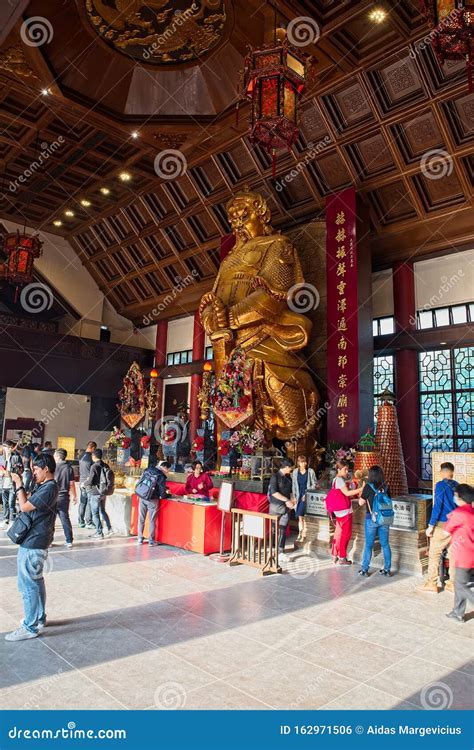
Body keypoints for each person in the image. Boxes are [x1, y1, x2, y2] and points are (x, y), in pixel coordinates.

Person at [5, 453, 58, 641]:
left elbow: (25, 506)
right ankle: (39, 618)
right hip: (37, 539)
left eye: (36, 469)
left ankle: (30, 626)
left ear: (46, 469)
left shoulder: (49, 488)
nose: (34, 472)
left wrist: (19, 483)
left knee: (28, 584)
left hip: (34, 541)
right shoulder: (46, 486)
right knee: (35, 581)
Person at [417, 461, 458, 593]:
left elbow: (438, 506)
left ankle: (431, 583)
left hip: (443, 524)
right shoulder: (458, 486)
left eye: (440, 471)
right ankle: (452, 583)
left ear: (443, 472)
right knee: (453, 554)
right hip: (456, 524)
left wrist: (431, 525)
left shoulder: (440, 485)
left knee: (434, 553)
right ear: (452, 472)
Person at [445, 484, 474, 623]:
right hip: (471, 554)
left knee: (461, 585)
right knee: (460, 584)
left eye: (456, 495)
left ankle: (458, 612)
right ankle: (457, 612)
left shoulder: (459, 513)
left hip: (464, 556)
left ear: (460, 497)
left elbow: (446, 530)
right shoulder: (471, 511)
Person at [358, 465, 392, 577]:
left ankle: (364, 569)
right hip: (384, 518)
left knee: (368, 545)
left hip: (371, 519)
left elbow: (360, 503)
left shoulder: (368, 487)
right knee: (385, 544)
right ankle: (387, 569)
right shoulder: (386, 487)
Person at [330, 459, 361, 565]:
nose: (347, 471)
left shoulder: (335, 480)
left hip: (339, 512)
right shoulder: (339, 480)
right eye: (345, 469)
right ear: (339, 469)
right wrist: (361, 489)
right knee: (345, 534)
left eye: (347, 469)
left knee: (338, 533)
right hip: (344, 512)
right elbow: (347, 493)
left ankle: (334, 555)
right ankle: (342, 558)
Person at [138, 461, 171, 546]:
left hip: (142, 496)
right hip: (152, 500)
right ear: (165, 467)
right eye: (168, 469)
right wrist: (168, 495)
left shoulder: (148, 469)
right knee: (152, 520)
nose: (168, 471)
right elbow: (162, 494)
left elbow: (140, 480)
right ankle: (151, 541)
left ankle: (140, 539)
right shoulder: (161, 476)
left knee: (141, 518)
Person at [83, 449, 113, 539]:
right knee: (102, 511)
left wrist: (84, 484)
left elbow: (91, 481)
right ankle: (109, 529)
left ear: (93, 456)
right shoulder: (105, 465)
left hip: (95, 493)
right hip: (103, 492)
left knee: (95, 513)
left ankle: (99, 532)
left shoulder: (94, 466)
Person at [269, 458, 295, 558]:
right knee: (274, 529)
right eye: (291, 468)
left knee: (283, 529)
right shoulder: (275, 477)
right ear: (287, 467)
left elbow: (291, 491)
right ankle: (272, 549)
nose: (291, 469)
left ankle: (280, 550)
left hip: (286, 508)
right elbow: (274, 493)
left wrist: (292, 500)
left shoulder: (289, 477)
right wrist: (286, 500)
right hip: (276, 506)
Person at [54, 448, 77, 548]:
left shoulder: (52, 467)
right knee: (65, 519)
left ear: (58, 457)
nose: (53, 457)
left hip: (52, 497)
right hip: (63, 497)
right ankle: (69, 541)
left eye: (54, 456)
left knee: (50, 520)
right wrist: (74, 495)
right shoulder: (69, 468)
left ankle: (49, 540)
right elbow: (72, 484)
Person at [291, 455, 317, 542]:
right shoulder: (295, 472)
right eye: (301, 462)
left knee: (302, 514)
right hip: (298, 495)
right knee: (300, 516)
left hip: (306, 495)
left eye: (305, 462)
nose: (304, 464)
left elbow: (314, 484)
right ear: (298, 463)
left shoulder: (310, 471)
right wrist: (294, 496)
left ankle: (303, 533)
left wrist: (307, 493)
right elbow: (294, 485)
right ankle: (300, 533)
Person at [0, 441, 23, 528]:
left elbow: (21, 470)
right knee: (5, 503)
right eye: (6, 447)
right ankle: (5, 520)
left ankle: (13, 520)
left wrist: (10, 473)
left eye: (10, 447)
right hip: (3, 484)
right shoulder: (1, 458)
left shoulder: (16, 457)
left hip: (12, 484)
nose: (8, 449)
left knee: (11, 504)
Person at [78, 441, 97, 529]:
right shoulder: (91, 458)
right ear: (93, 448)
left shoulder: (81, 456)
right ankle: (89, 522)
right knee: (89, 503)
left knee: (82, 502)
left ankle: (81, 521)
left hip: (81, 482)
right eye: (94, 449)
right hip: (88, 483)